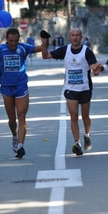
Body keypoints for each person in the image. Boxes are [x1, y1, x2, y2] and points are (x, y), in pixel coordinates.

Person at [0, 28, 46, 158]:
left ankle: (21, 145)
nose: (13, 43)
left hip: (21, 86)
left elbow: (41, 49)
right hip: (6, 88)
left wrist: (45, 41)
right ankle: (15, 136)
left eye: (16, 41)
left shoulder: (23, 48)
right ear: (6, 38)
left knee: (21, 116)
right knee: (12, 120)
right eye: (11, 41)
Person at [41, 28, 101, 156]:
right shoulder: (65, 50)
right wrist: (44, 42)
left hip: (85, 88)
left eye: (77, 35)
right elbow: (45, 56)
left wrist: (96, 68)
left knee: (85, 117)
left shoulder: (87, 51)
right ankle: (77, 143)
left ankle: (87, 135)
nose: (75, 37)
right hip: (70, 88)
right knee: (73, 117)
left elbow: (93, 68)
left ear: (81, 37)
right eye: (73, 35)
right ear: (69, 37)